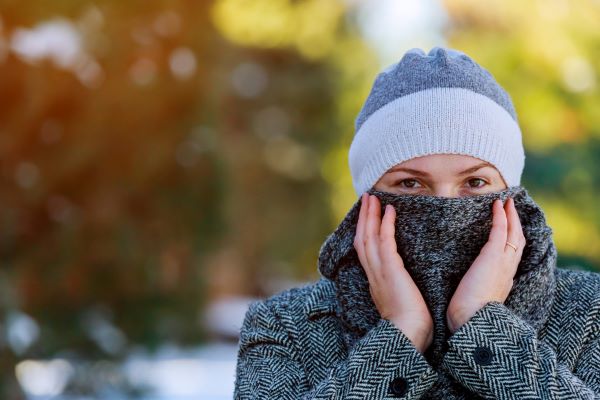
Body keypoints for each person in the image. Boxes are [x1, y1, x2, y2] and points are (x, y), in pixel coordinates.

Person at [233, 47, 600, 399]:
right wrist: (400, 334)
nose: (443, 207)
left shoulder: (588, 312)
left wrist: (484, 328)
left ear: (512, 195)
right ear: (368, 201)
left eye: (475, 183)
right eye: (410, 184)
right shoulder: (285, 326)